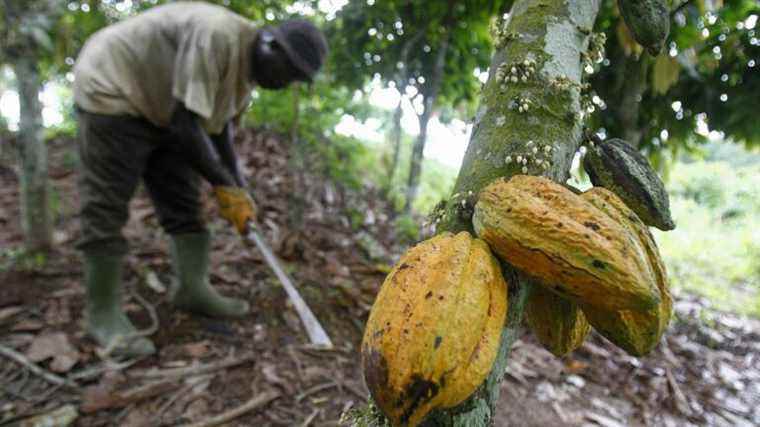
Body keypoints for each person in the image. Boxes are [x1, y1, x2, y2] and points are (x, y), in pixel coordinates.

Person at [72, 1, 328, 356]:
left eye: (297, 80)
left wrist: (238, 187)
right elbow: (186, 125)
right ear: (271, 44)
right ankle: (102, 315)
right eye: (289, 72)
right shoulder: (217, 35)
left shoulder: (244, 73)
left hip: (165, 108)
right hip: (113, 87)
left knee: (183, 202)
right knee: (107, 206)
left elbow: (218, 133)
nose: (287, 84)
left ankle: (191, 289)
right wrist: (224, 185)